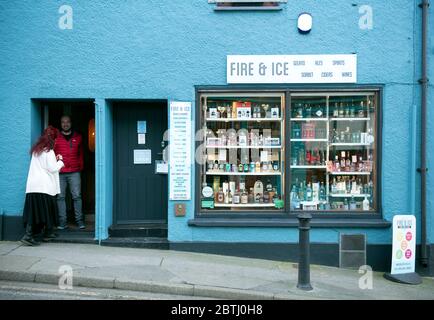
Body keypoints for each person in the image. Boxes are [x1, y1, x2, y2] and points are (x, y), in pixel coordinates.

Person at [21, 126, 64, 246]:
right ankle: (30, 236)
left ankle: (45, 233)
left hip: (33, 186)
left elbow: (44, 166)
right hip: (44, 186)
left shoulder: (37, 150)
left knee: (35, 211)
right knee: (47, 210)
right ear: (53, 139)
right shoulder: (49, 151)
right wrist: (60, 161)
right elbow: (52, 168)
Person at [54, 115, 85, 230]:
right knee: (60, 197)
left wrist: (80, 167)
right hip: (60, 171)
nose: (65, 124)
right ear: (60, 124)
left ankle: (79, 221)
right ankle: (62, 222)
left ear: (71, 123)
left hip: (74, 172)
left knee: (77, 196)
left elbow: (81, 154)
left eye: (67, 122)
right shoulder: (56, 137)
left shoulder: (78, 137)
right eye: (63, 122)